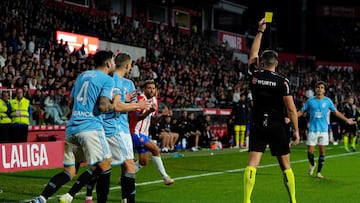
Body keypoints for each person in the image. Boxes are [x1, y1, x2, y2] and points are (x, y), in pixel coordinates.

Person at [33, 50, 116, 203]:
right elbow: (104, 106)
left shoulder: (82, 76)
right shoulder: (107, 80)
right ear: (108, 63)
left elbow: (70, 103)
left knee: (70, 171)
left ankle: (41, 198)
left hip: (72, 128)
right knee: (106, 167)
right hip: (90, 127)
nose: (115, 64)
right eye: (114, 61)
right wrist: (115, 106)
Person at [243, 18, 300, 203]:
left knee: (253, 164)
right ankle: (292, 199)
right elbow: (291, 108)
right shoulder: (282, 81)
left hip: (258, 122)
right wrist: (297, 131)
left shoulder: (254, 75)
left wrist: (260, 31)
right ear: (276, 63)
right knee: (285, 165)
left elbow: (252, 54)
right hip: (277, 125)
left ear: (262, 62)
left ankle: (247, 199)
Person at [298, 81, 355, 178]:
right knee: (310, 152)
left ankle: (319, 172)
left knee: (322, 152)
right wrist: (291, 117)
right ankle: (312, 164)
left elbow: (336, 112)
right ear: (315, 89)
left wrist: (346, 119)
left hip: (324, 131)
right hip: (312, 130)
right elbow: (300, 112)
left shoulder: (328, 101)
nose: (319, 89)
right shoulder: (310, 101)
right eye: (318, 87)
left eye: (322, 87)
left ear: (324, 90)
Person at [129, 79, 175, 185]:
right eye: (149, 88)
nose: (152, 90)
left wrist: (162, 115)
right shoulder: (141, 99)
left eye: (153, 88)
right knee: (155, 149)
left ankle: (125, 176)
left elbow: (153, 120)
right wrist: (149, 111)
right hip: (135, 132)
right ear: (144, 89)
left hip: (144, 134)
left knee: (143, 162)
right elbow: (136, 118)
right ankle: (165, 177)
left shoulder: (154, 101)